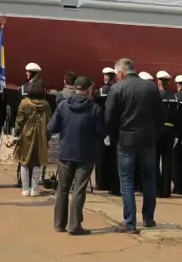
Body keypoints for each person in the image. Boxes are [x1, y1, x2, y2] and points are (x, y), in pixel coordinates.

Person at [104, 58, 164, 232]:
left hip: (126, 140)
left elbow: (109, 117)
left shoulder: (117, 88)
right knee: (149, 179)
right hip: (147, 140)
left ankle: (130, 222)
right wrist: (154, 134)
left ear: (121, 73)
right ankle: (149, 218)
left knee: (127, 181)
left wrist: (110, 135)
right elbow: (161, 115)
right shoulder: (151, 87)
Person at [49, 76, 101, 235]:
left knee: (62, 189)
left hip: (65, 153)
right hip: (86, 154)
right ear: (87, 90)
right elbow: (101, 131)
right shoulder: (95, 108)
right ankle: (74, 225)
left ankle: (59, 224)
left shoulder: (63, 105)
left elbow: (52, 127)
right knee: (79, 190)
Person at [14, 81, 52, 197]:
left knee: (24, 161)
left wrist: (16, 133)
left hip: (27, 134)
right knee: (37, 161)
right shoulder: (46, 105)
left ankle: (25, 189)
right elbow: (49, 122)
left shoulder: (24, 102)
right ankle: (34, 189)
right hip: (41, 135)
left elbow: (19, 120)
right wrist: (48, 137)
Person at [94, 67, 118, 194]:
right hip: (114, 129)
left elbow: (96, 110)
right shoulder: (117, 91)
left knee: (100, 158)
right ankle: (112, 184)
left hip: (101, 128)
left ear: (106, 78)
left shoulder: (99, 92)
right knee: (113, 158)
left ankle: (101, 183)